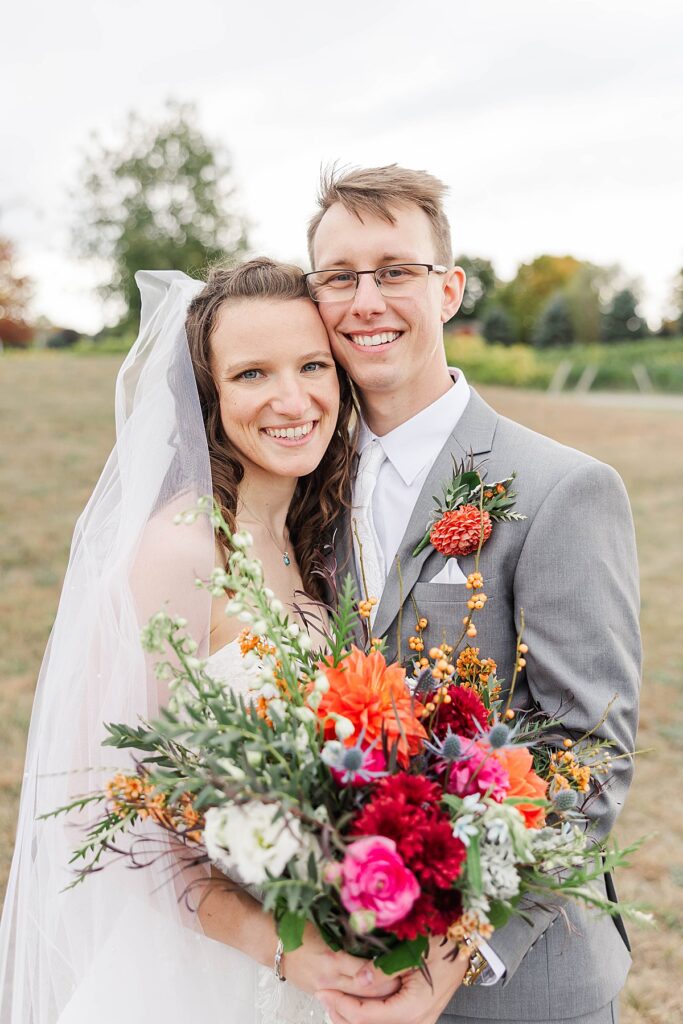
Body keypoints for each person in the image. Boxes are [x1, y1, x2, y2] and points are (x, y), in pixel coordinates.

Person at [0, 258, 396, 1023]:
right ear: (207, 399)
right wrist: (282, 947)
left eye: (312, 364)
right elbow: (100, 805)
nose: (292, 399)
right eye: (252, 374)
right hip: (200, 980)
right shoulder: (181, 550)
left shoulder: (315, 542)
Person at [304, 166, 640, 1024]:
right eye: (339, 276)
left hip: (515, 984)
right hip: (340, 968)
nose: (365, 299)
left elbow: (587, 754)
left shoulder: (563, 487)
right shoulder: (302, 486)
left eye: (394, 270)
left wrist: (463, 952)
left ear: (447, 289)